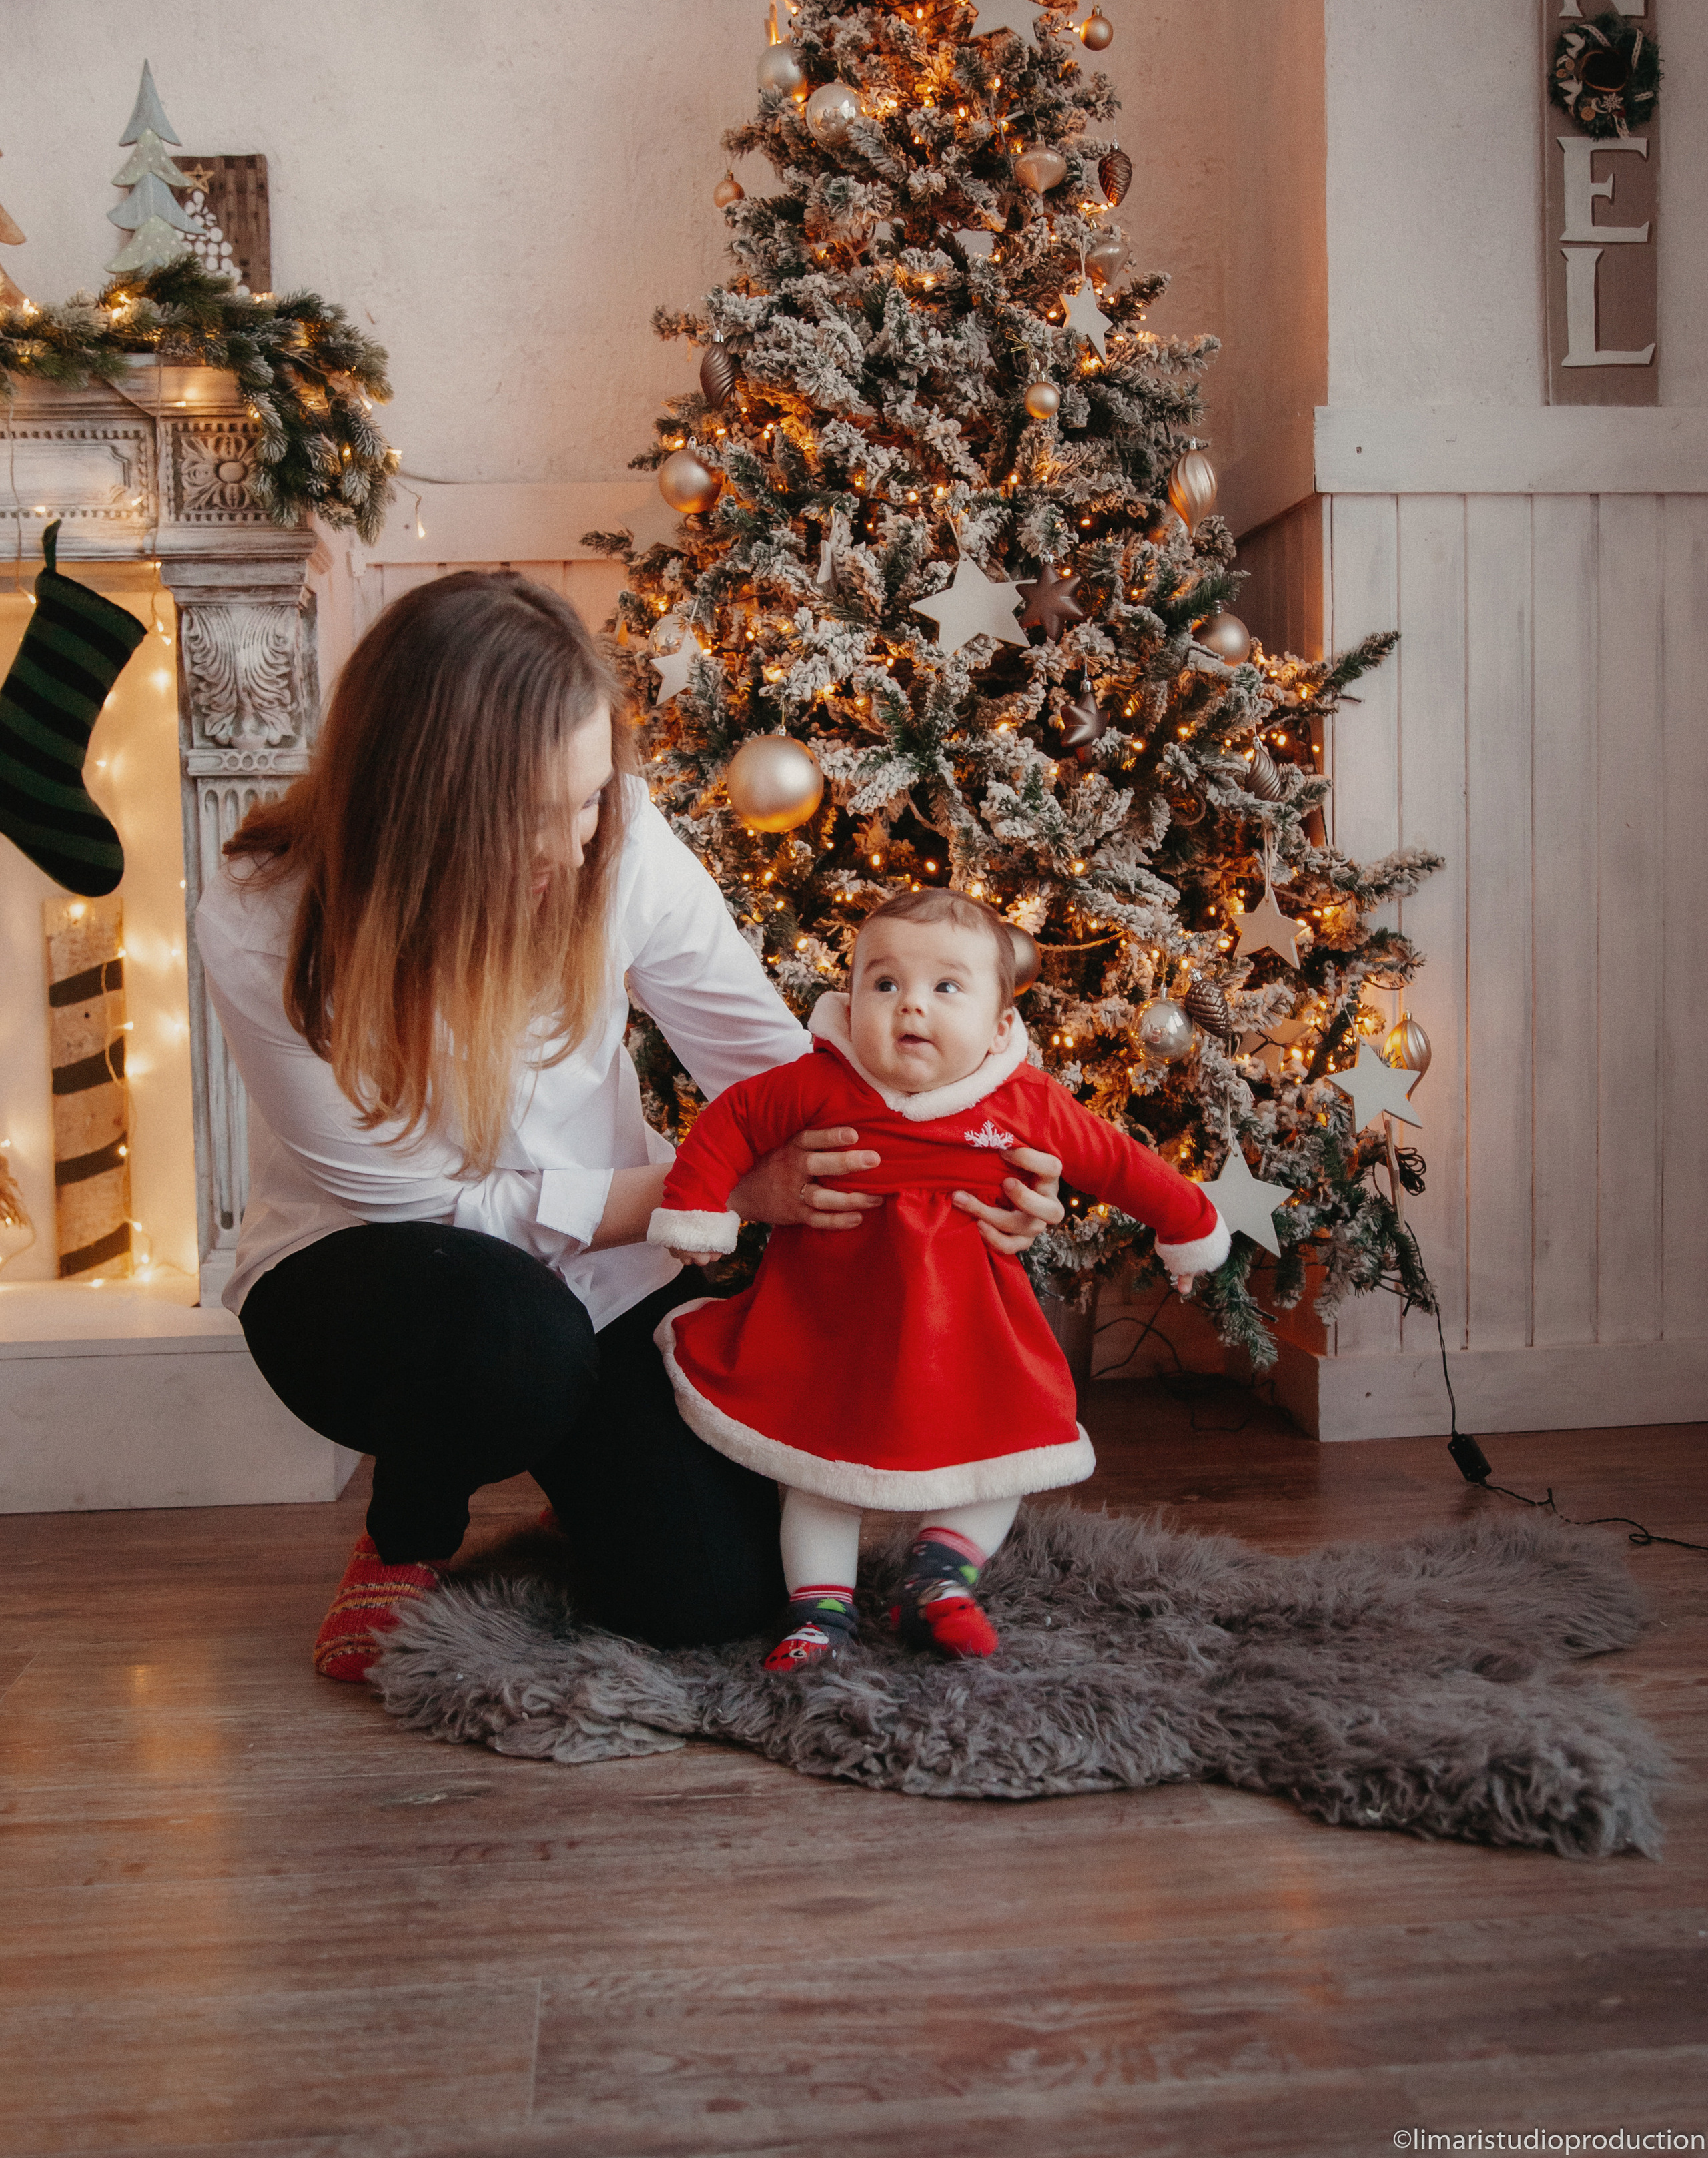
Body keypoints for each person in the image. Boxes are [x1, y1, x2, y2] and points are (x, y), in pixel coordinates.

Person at [197, 573, 1065, 1681]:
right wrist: (712, 1194)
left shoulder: (618, 840)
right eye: (531, 816)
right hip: (378, 1279)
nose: (571, 849)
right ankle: (407, 1526)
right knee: (510, 1344)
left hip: (608, 1265)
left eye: (591, 795)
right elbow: (435, 1207)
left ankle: (582, 1468)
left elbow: (773, 1066)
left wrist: (966, 1150)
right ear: (424, 809)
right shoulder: (269, 922)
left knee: (714, 1593)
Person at [647, 889, 1230, 1672]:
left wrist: (1188, 1227)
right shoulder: (817, 1084)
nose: (910, 1006)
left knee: (1012, 1450)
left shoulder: (1021, 1102)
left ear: (998, 1026)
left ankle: (939, 1577)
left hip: (964, 1332)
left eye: (945, 987)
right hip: (830, 1327)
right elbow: (731, 1124)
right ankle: (818, 1613)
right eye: (883, 984)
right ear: (847, 1002)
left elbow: (1119, 1162)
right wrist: (696, 1211)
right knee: (818, 1470)